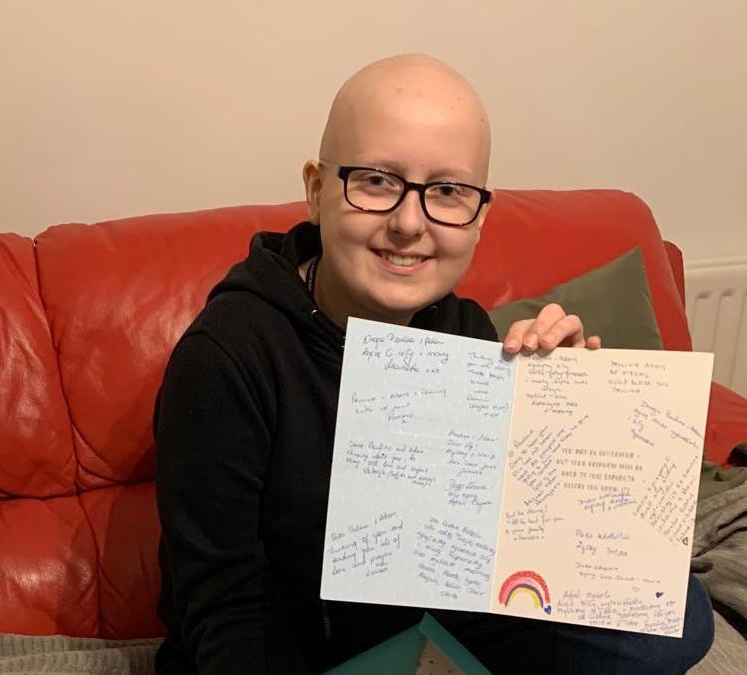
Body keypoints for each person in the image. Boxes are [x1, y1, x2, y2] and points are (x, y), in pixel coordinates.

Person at [154, 54, 712, 674]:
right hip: (287, 649)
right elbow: (225, 606)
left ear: (479, 217)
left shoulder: (465, 333)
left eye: (447, 191)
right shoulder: (227, 356)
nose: (409, 224)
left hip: (424, 635)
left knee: (678, 611)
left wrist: (563, 431)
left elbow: (497, 553)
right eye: (376, 181)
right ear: (316, 190)